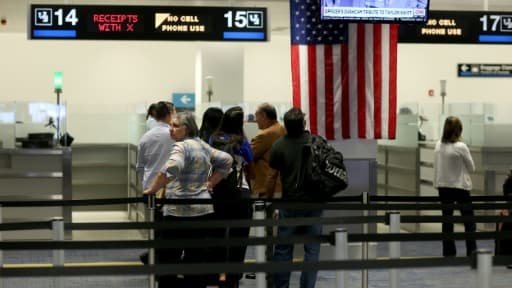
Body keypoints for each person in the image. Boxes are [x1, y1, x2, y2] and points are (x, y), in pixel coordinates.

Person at [143, 111, 233, 288]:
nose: (171, 129)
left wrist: (151, 190)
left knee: (168, 261)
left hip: (178, 213)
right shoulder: (202, 146)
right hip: (202, 212)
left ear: (187, 129)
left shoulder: (181, 147)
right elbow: (227, 160)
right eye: (171, 125)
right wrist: (211, 183)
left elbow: (172, 168)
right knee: (196, 260)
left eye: (175, 126)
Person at [266, 107, 322, 288]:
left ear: (286, 126)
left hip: (289, 204)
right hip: (313, 203)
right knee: (312, 250)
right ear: (304, 124)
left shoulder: (279, 145)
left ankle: (281, 286)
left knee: (283, 249)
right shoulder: (316, 142)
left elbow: (271, 177)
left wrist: (270, 201)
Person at [209, 106, 254, 287]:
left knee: (217, 234)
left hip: (218, 191)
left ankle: (218, 274)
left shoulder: (213, 138)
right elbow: (252, 168)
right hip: (239, 192)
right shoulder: (242, 142)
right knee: (239, 235)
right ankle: (233, 276)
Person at [136, 101, 174, 264]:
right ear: (168, 114)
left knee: (155, 226)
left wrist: (145, 185)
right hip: (170, 189)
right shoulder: (174, 135)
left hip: (150, 189)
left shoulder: (145, 137)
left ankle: (153, 259)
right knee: (169, 228)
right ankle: (159, 261)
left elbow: (140, 166)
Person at [433, 116, 477, 257]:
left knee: (447, 221)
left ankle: (449, 252)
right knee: (468, 221)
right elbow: (472, 168)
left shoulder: (438, 145)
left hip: (443, 187)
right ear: (458, 130)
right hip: (460, 187)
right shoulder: (461, 147)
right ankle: (471, 251)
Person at [250, 103, 286, 198]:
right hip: (281, 186)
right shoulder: (282, 129)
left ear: (264, 115)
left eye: (256, 116)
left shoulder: (264, 135)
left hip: (267, 189)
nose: (255, 120)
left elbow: (248, 157)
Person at [496, 170, 512, 257]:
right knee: (503, 219)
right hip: (509, 209)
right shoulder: (508, 181)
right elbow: (506, 197)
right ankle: (503, 254)